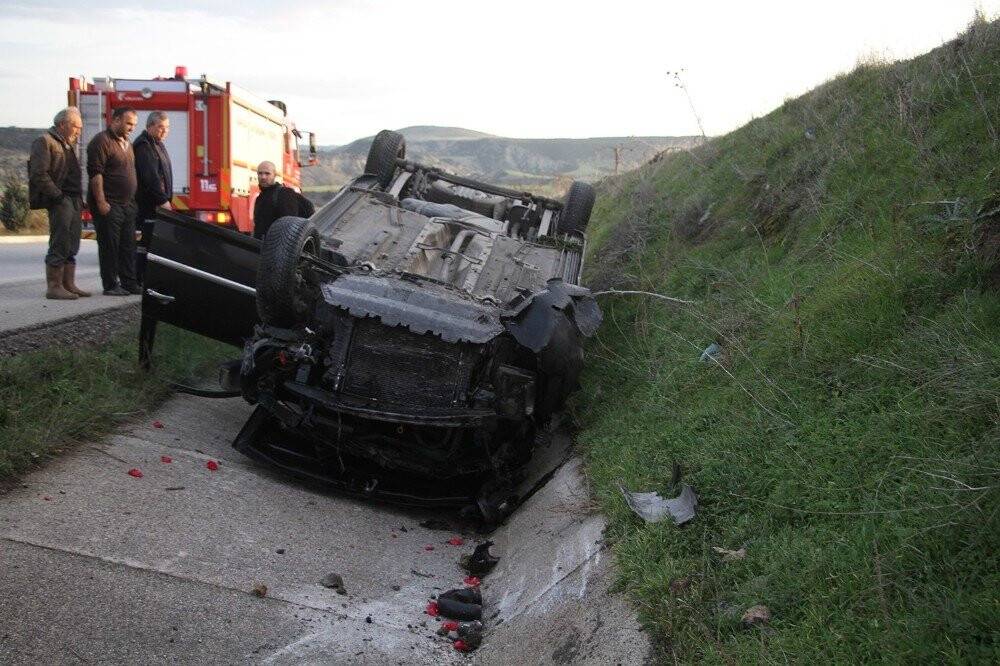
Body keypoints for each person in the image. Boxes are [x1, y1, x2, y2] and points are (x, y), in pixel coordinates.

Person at [27, 107, 89, 300]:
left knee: (72, 243)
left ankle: (68, 284)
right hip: (61, 200)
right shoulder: (45, 141)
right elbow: (38, 173)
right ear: (62, 124)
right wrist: (57, 196)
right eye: (76, 127)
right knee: (60, 242)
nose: (79, 131)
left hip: (73, 199)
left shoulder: (68, 144)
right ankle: (54, 287)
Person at [87, 106, 140, 296]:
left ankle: (129, 283)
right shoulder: (102, 141)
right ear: (116, 120)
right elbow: (96, 174)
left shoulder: (127, 143)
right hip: (110, 204)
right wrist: (101, 202)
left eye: (134, 125)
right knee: (110, 246)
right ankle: (110, 285)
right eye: (128, 123)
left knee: (128, 246)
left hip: (127, 205)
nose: (132, 128)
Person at [133, 111, 172, 281]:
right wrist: (162, 200)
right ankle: (140, 277)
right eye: (160, 127)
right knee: (144, 245)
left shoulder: (157, 144)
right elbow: (150, 177)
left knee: (153, 245)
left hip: (156, 204)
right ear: (149, 126)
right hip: (147, 206)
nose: (165, 131)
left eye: (167, 128)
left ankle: (147, 277)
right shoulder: (143, 146)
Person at [252, 160, 314, 240]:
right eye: (260, 173)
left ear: (274, 175)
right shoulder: (260, 198)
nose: (263, 177)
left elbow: (289, 227)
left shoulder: (284, 194)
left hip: (278, 245)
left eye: (267, 173)